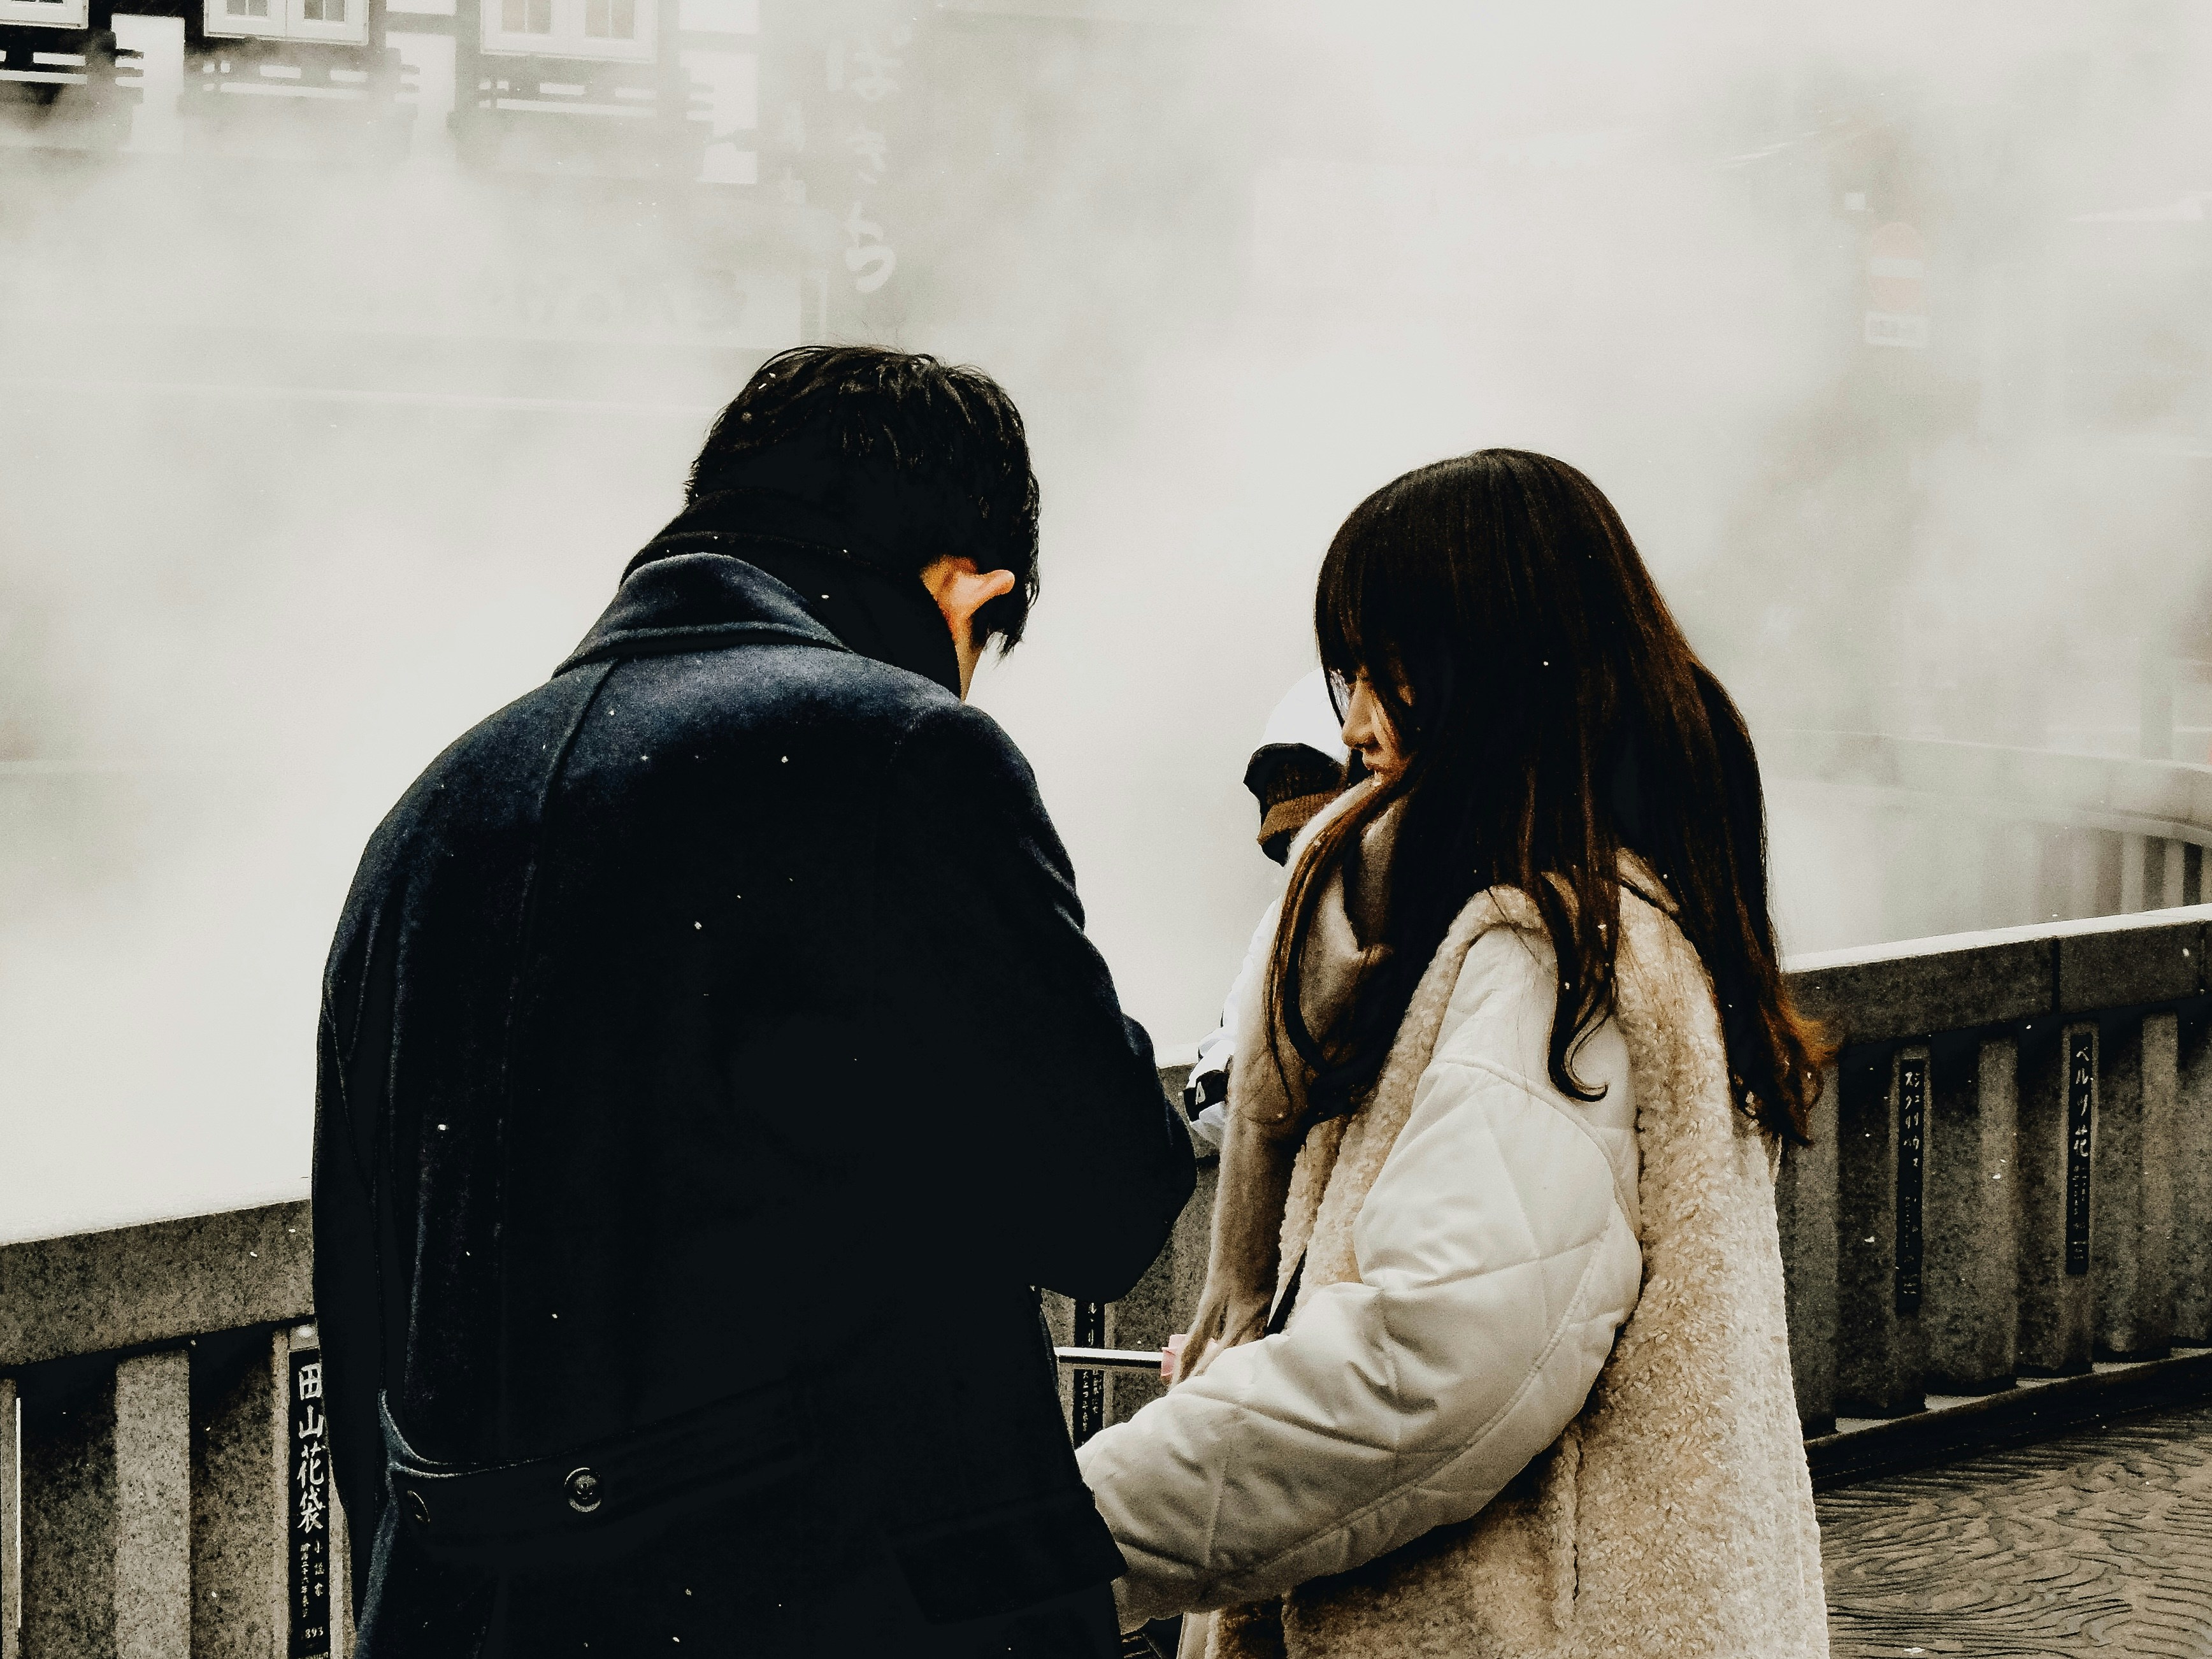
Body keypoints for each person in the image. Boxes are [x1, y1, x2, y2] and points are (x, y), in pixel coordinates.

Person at [312, 345, 1196, 1659]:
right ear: (965, 584)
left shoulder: (433, 813)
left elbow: (364, 1303)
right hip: (844, 1602)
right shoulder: (900, 755)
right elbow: (1103, 1203)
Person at [1077, 449, 1833, 1658]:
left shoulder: (1553, 960)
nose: (1357, 724)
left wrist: (1049, 1540)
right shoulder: (1613, 921)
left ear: (1491, 676)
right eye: (1348, 677)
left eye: (1386, 675)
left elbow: (1424, 1363)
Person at [1182, 671, 1351, 1147]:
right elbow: (1208, 1089)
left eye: (1324, 833)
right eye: (1290, 843)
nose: (1308, 857)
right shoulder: (1281, 924)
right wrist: (1262, 1077)